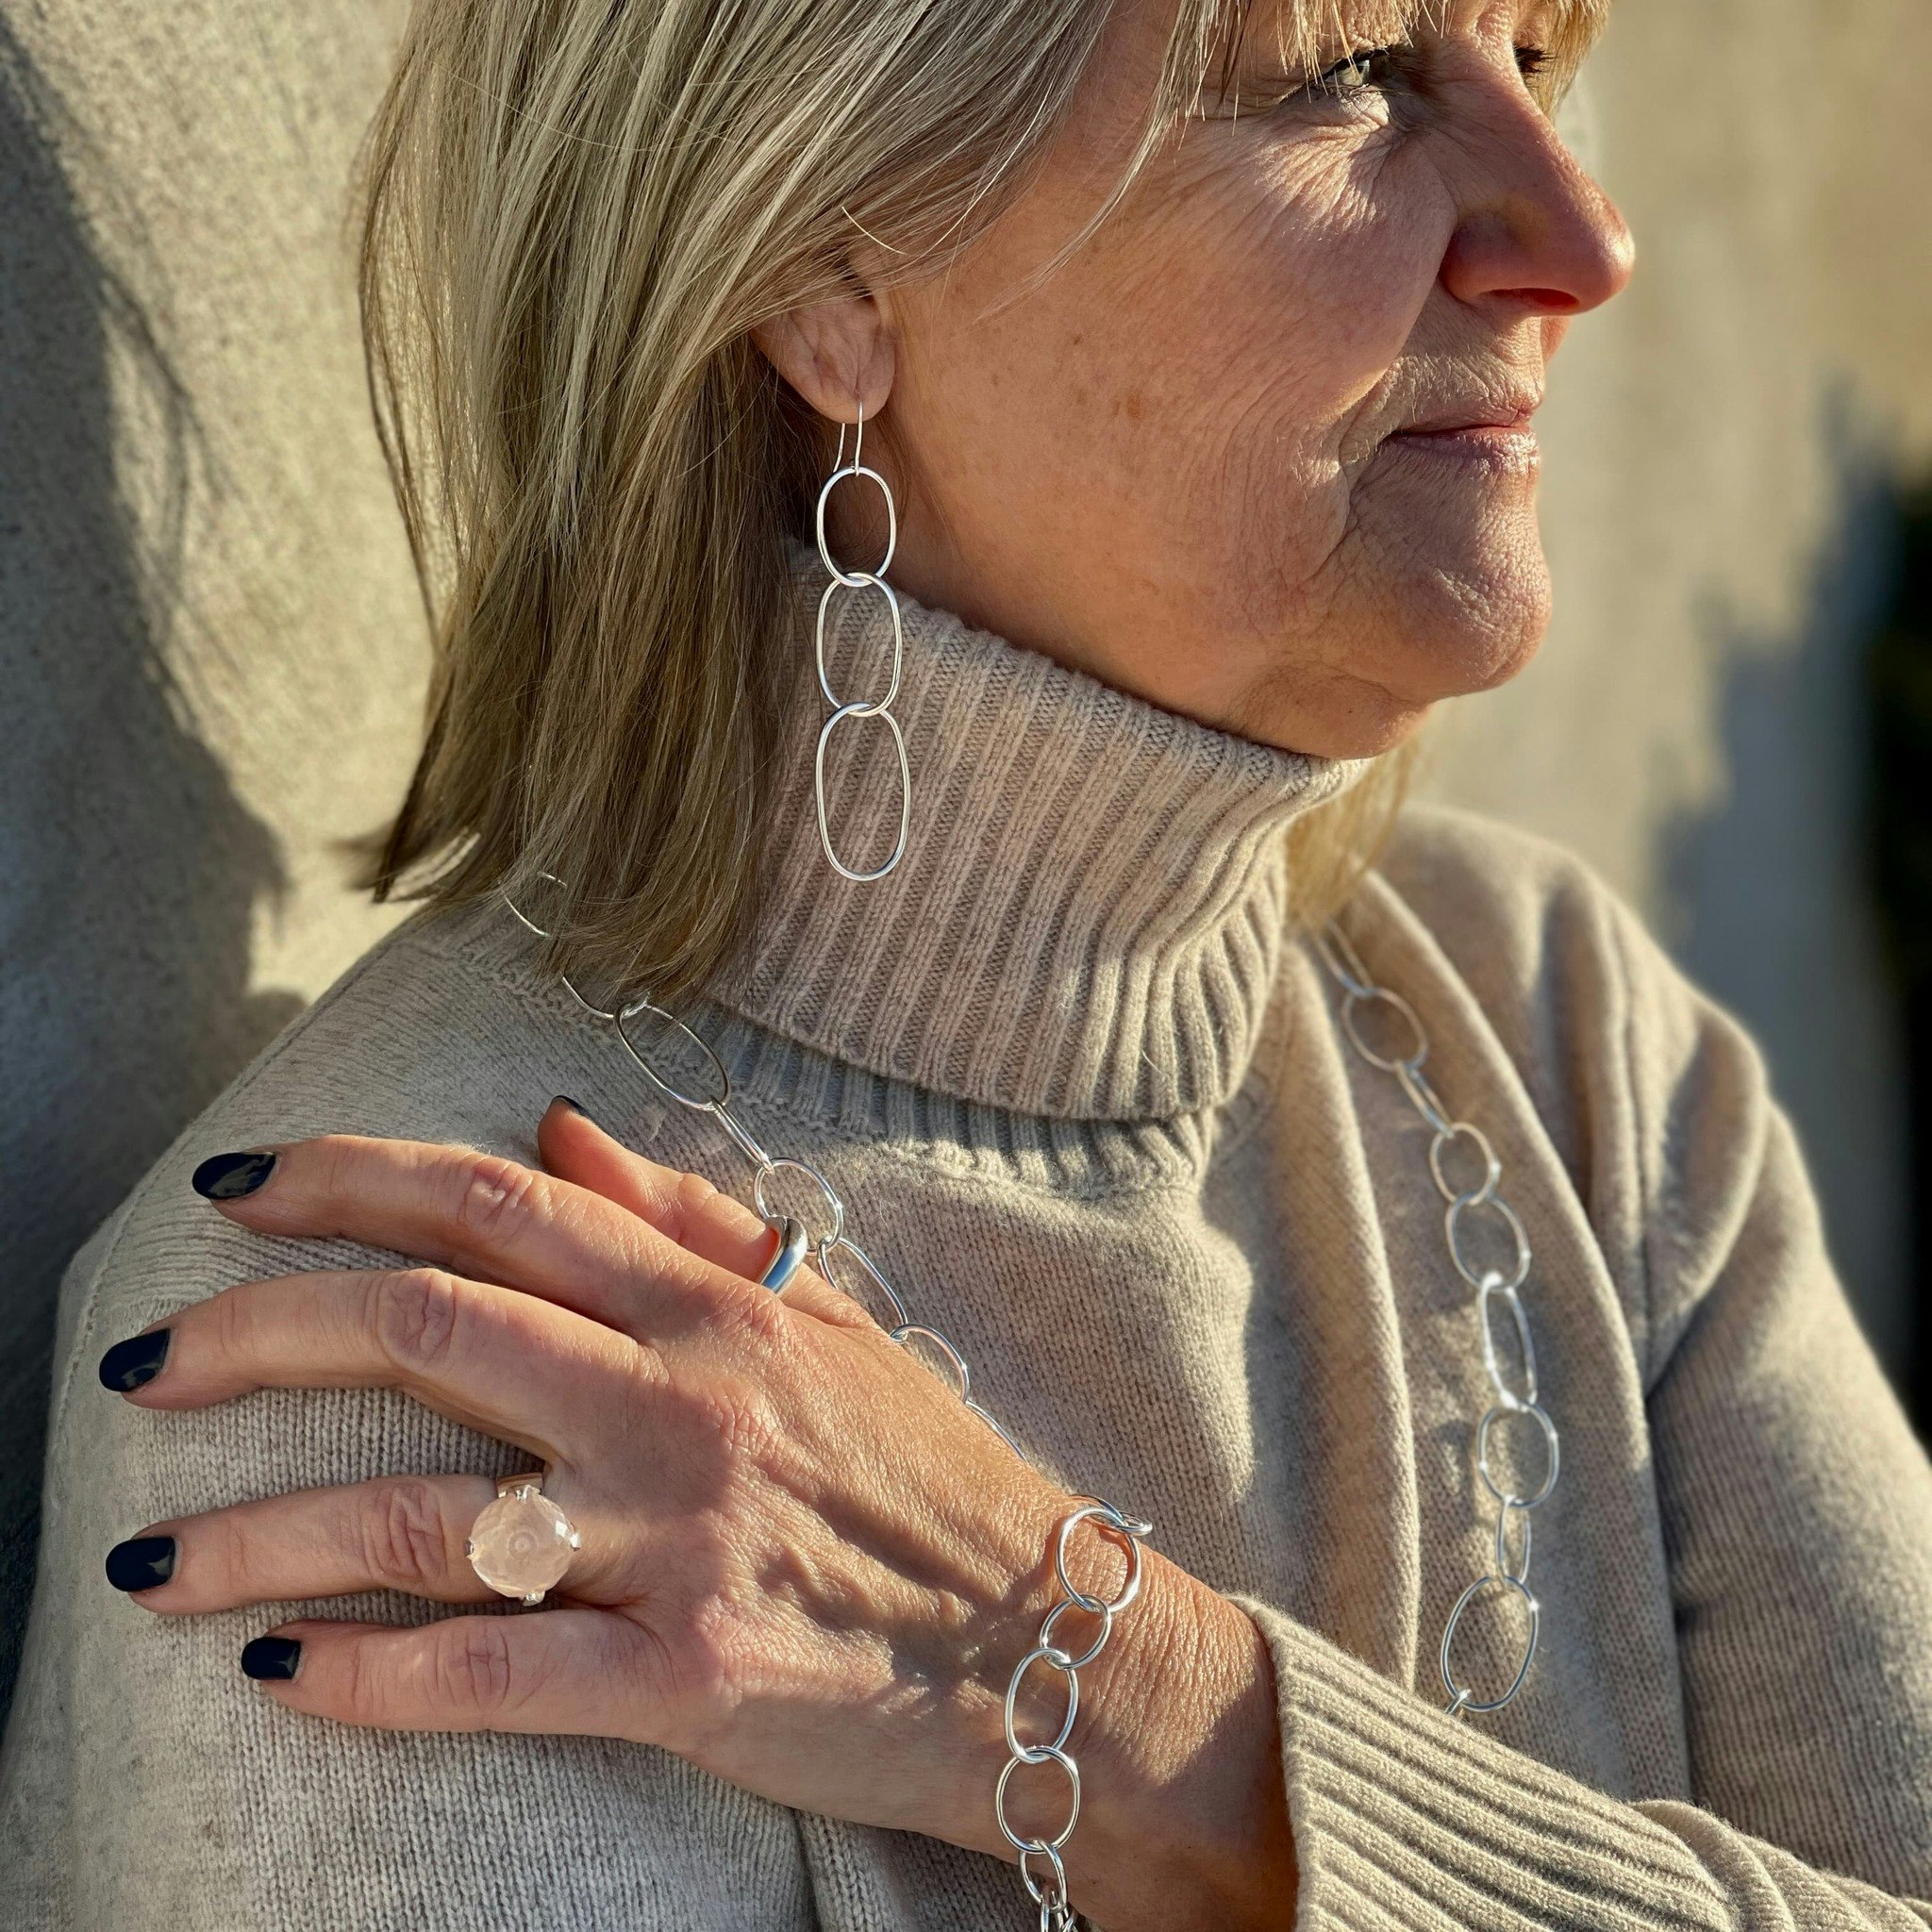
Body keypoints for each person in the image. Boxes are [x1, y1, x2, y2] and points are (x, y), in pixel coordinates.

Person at [5, 0, 1931, 1924]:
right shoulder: (426, 1375)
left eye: (1534, 56)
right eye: (1348, 70)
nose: (1579, 239)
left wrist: (1110, 1699)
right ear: (824, 259)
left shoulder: (1569, 1050)